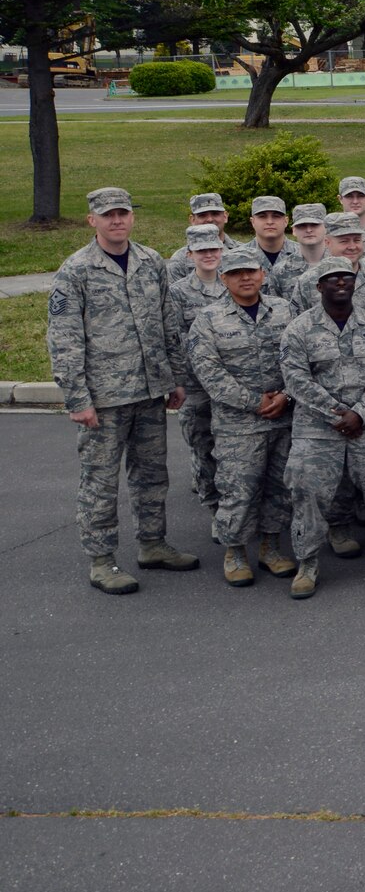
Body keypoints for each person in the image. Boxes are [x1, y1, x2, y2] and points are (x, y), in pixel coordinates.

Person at [46, 187, 196, 594]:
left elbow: (169, 323)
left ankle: (152, 544)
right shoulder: (76, 270)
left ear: (132, 217)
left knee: (152, 475)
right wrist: (77, 398)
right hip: (104, 398)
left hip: (149, 391)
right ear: (92, 220)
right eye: (108, 215)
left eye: (123, 214)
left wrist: (175, 377)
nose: (117, 221)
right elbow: (64, 339)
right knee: (101, 481)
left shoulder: (151, 262)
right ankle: (102, 560)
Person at [279, 257, 365, 598]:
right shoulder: (299, 328)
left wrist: (361, 413)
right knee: (307, 489)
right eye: (332, 278)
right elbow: (295, 379)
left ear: (355, 282)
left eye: (346, 277)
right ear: (319, 287)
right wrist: (337, 414)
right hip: (316, 427)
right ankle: (308, 563)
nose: (340, 282)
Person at [187, 247, 298, 586]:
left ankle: (271, 547)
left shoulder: (284, 310)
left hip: (285, 416)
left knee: (279, 485)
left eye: (251, 271)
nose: (246, 278)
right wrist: (254, 401)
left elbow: (302, 356)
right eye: (236, 273)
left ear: (263, 275)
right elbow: (209, 372)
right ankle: (235, 550)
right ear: (224, 279)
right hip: (238, 424)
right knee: (239, 488)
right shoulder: (208, 319)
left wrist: (286, 395)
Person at [164, 225, 229, 526]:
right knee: (203, 448)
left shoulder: (233, 284)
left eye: (214, 250)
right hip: (196, 385)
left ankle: (238, 506)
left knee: (233, 448)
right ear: (190, 254)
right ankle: (216, 509)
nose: (209, 255)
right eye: (202, 251)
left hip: (233, 382)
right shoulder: (177, 293)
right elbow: (174, 339)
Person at [166, 192, 233, 283]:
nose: (209, 219)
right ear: (192, 220)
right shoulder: (179, 260)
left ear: (225, 216)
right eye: (202, 215)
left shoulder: (241, 250)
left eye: (215, 214)